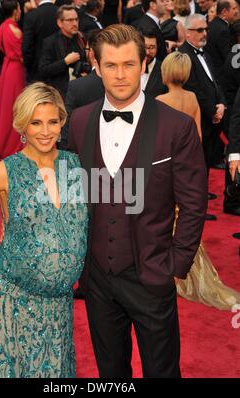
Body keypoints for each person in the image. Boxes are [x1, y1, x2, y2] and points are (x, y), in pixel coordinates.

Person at [68, 24, 208, 378]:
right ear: (95, 65)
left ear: (145, 63)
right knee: (111, 375)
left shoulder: (176, 127)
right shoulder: (79, 121)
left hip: (151, 276)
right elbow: (73, 194)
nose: (120, 75)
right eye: (111, 65)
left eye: (129, 64)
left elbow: (193, 204)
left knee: (162, 371)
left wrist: (175, 265)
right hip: (97, 279)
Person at [0, 82, 88, 378]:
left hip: (58, 306)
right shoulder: (5, 171)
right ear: (22, 125)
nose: (45, 131)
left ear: (63, 122)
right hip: (12, 302)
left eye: (53, 121)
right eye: (35, 123)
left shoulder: (75, 166)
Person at [157, 52, 240, 310]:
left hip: (163, 167)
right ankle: (184, 267)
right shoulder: (192, 98)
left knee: (164, 216)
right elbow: (198, 136)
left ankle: (165, 268)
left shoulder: (159, 100)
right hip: (185, 166)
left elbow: (156, 142)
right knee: (184, 217)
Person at [180, 14, 227, 221]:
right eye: (199, 30)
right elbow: (193, 89)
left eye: (205, 29)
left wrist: (222, 104)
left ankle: (201, 197)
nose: (204, 33)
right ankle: (197, 207)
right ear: (188, 32)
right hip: (198, 119)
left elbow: (215, 82)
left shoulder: (204, 53)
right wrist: (212, 111)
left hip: (211, 118)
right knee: (197, 166)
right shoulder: (184, 56)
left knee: (206, 162)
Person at [0, 0, 25, 159]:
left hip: (7, 67)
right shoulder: (15, 30)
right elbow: (21, 55)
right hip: (16, 70)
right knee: (16, 105)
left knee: (6, 106)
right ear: (15, 11)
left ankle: (4, 143)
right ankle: (13, 144)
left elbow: (0, 46)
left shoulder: (3, 26)